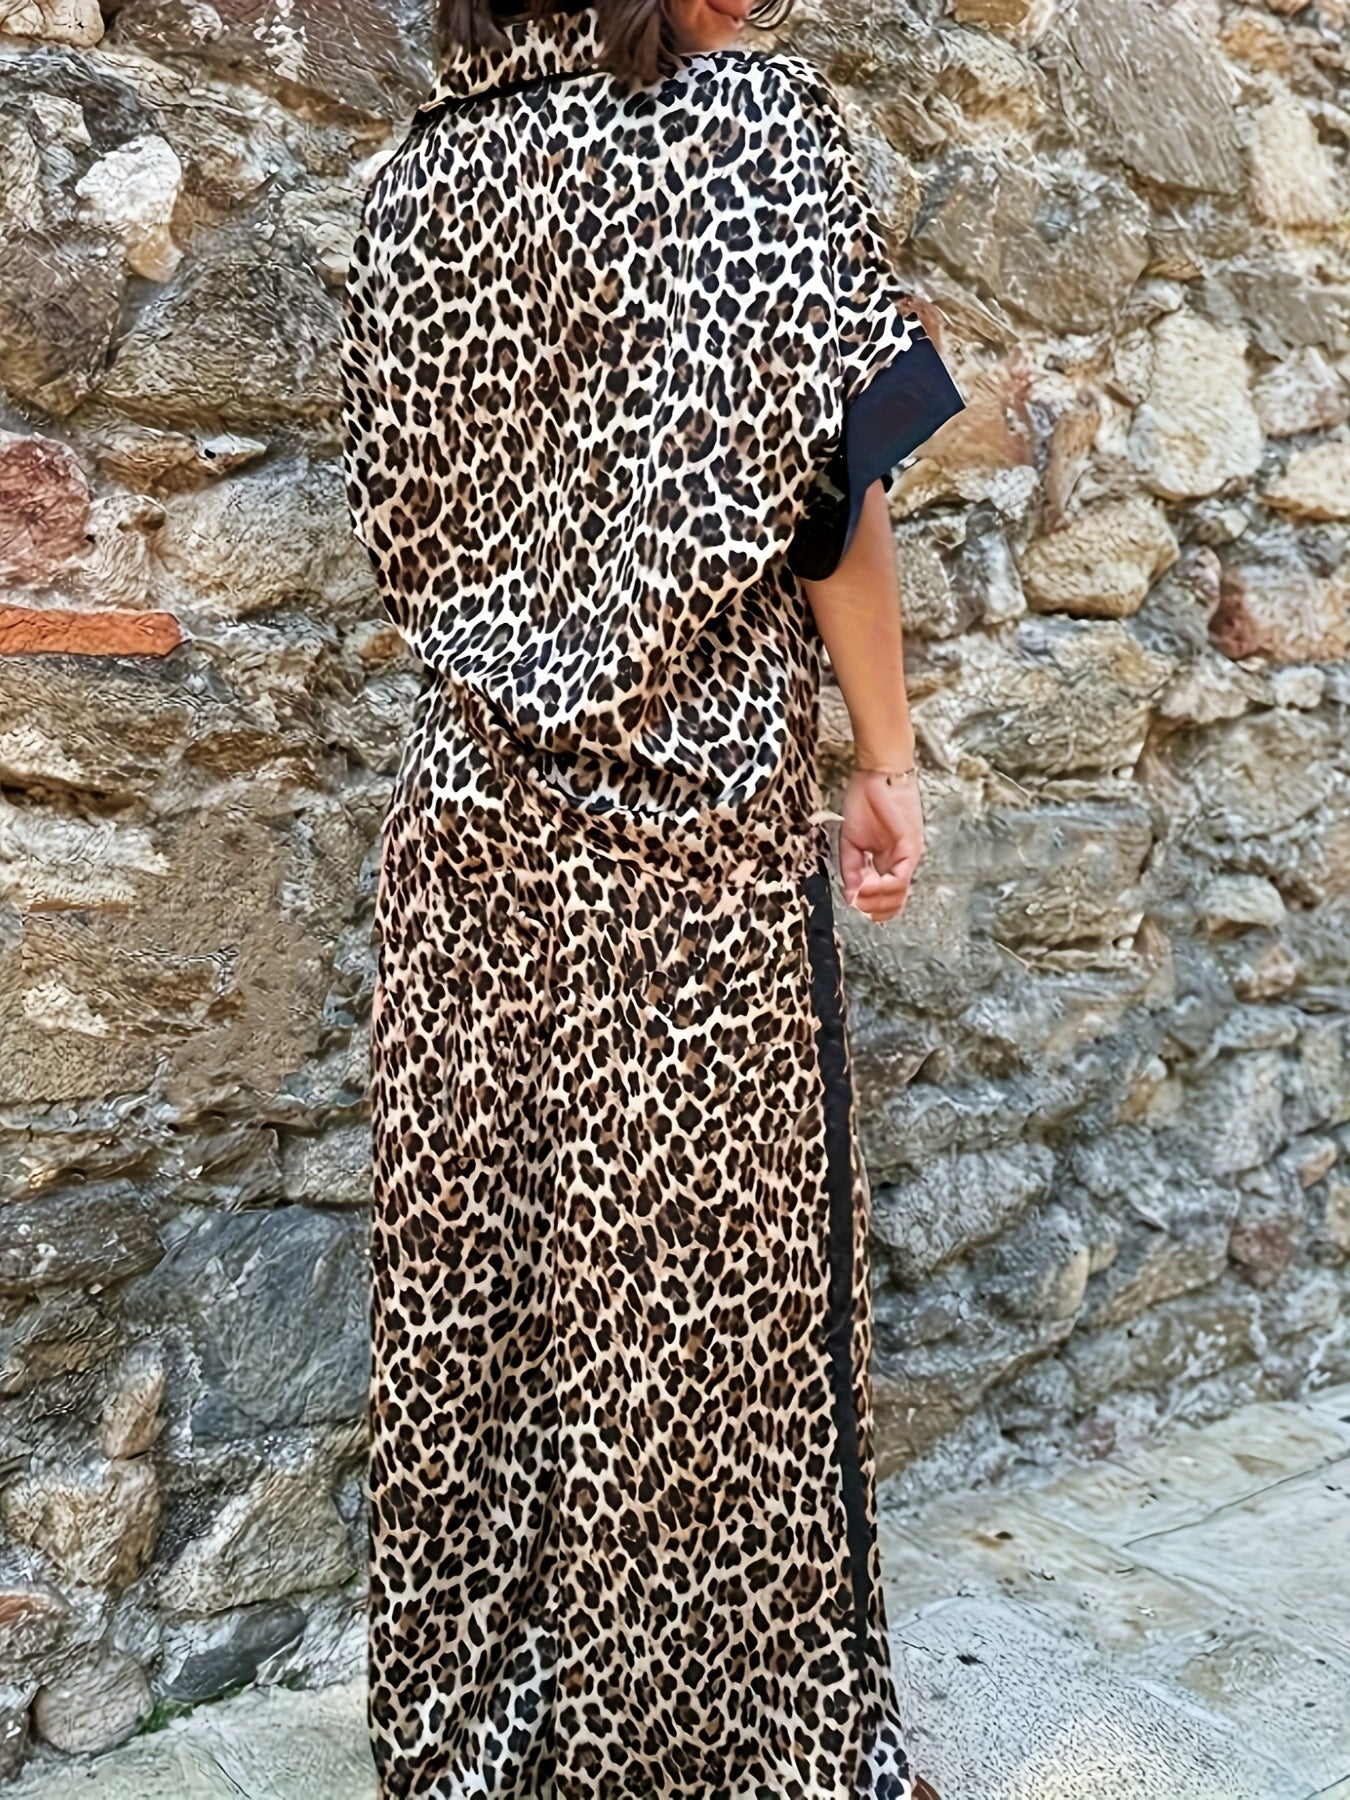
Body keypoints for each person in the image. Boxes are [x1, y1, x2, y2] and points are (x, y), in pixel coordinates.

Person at [339, 0, 963, 1789]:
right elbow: (832, 498)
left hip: (464, 828)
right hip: (689, 834)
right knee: (712, 1321)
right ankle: (733, 1754)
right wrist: (887, 755)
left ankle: (479, 1746)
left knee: (482, 1300)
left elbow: (423, 533)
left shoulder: (410, 186)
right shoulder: (749, 129)